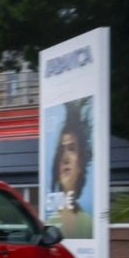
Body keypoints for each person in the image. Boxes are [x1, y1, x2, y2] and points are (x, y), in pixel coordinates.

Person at [45, 101, 93, 238]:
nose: (65, 157)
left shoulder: (88, 224)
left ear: (81, 163)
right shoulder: (50, 222)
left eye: (71, 149)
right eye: (62, 150)